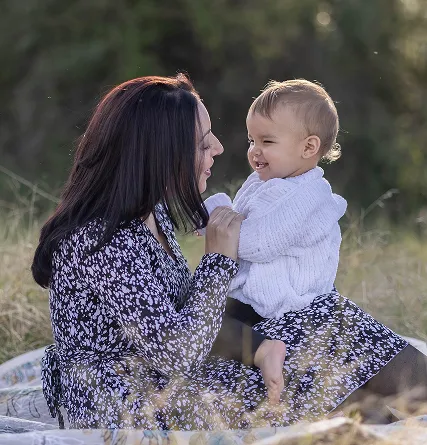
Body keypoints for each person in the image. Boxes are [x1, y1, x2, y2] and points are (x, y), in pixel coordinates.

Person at [32, 74, 286, 430]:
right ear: (160, 154)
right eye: (201, 144)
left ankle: (385, 400)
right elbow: (178, 354)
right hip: (120, 399)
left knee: (315, 327)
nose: (218, 147)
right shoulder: (101, 239)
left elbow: (183, 318)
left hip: (163, 380)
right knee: (300, 383)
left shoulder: (151, 212)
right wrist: (217, 261)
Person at [200, 79, 347, 318]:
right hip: (252, 302)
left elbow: (258, 244)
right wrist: (214, 219)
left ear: (309, 147)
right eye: (252, 140)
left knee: (211, 331)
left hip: (287, 310)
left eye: (267, 141)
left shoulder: (309, 196)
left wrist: (214, 213)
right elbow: (236, 220)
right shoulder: (261, 181)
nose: (255, 150)